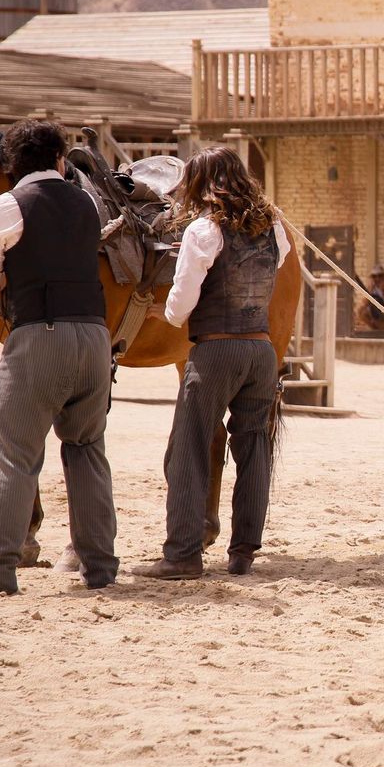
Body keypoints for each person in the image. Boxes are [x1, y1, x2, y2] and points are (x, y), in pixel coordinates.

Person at [0, 119, 118, 597]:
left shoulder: (6, 205)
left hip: (40, 336)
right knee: (87, 449)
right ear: (59, 159)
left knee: (13, 455)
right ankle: (99, 566)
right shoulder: (87, 203)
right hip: (94, 338)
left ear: (11, 164)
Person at [131, 147, 292, 579]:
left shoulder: (203, 230)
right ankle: (243, 553)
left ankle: (182, 554)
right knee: (254, 448)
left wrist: (165, 314)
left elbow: (182, 300)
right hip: (261, 350)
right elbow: (272, 268)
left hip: (216, 350)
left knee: (189, 449)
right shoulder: (274, 228)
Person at [356, 264, 384, 330]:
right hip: (373, 311)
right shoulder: (371, 286)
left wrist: (383, 292)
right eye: (374, 276)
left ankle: (381, 328)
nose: (377, 279)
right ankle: (374, 328)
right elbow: (365, 303)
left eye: (379, 276)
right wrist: (370, 291)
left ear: (383, 277)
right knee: (361, 311)